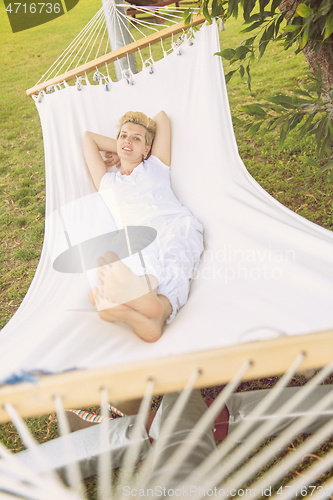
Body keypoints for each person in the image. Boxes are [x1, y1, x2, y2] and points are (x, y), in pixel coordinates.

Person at [83, 110, 204, 342]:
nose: (127, 140)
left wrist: (128, 149)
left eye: (136, 138)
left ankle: (157, 309)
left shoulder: (155, 165)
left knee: (176, 262)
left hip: (173, 225)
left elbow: (161, 118)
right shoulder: (107, 182)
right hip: (138, 240)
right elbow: (89, 138)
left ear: (148, 149)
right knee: (104, 289)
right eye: (123, 136)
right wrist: (122, 148)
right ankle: (152, 312)